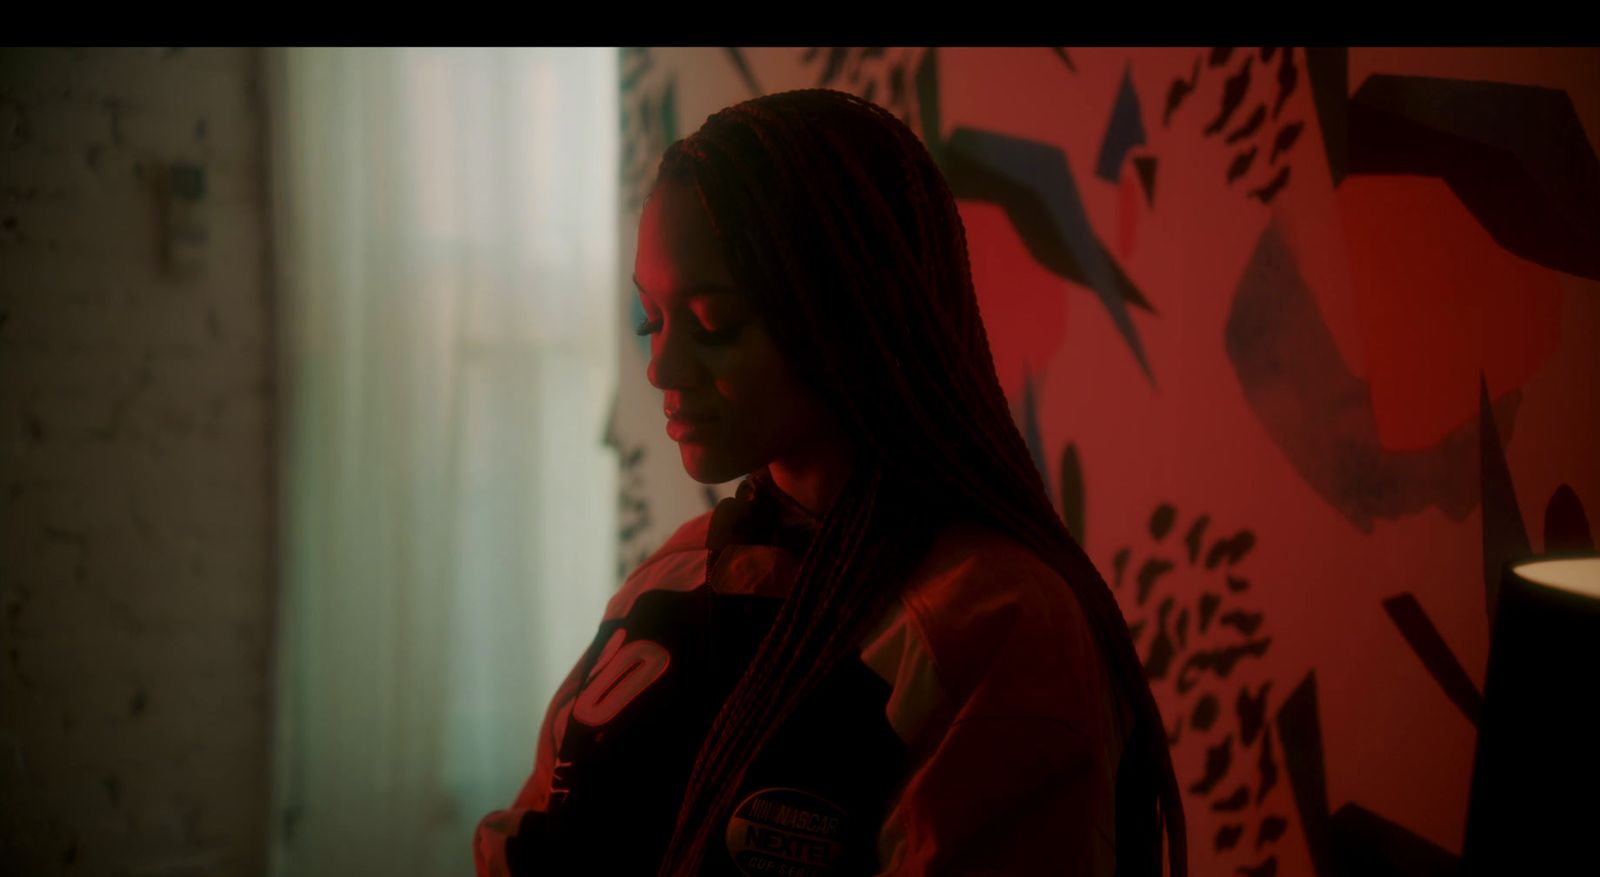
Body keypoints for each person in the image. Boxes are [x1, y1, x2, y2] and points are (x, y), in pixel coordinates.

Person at [474, 88, 1186, 877]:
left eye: (716, 323)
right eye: (653, 319)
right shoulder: (670, 580)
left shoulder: (992, 625)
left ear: (853, 311)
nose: (663, 368)